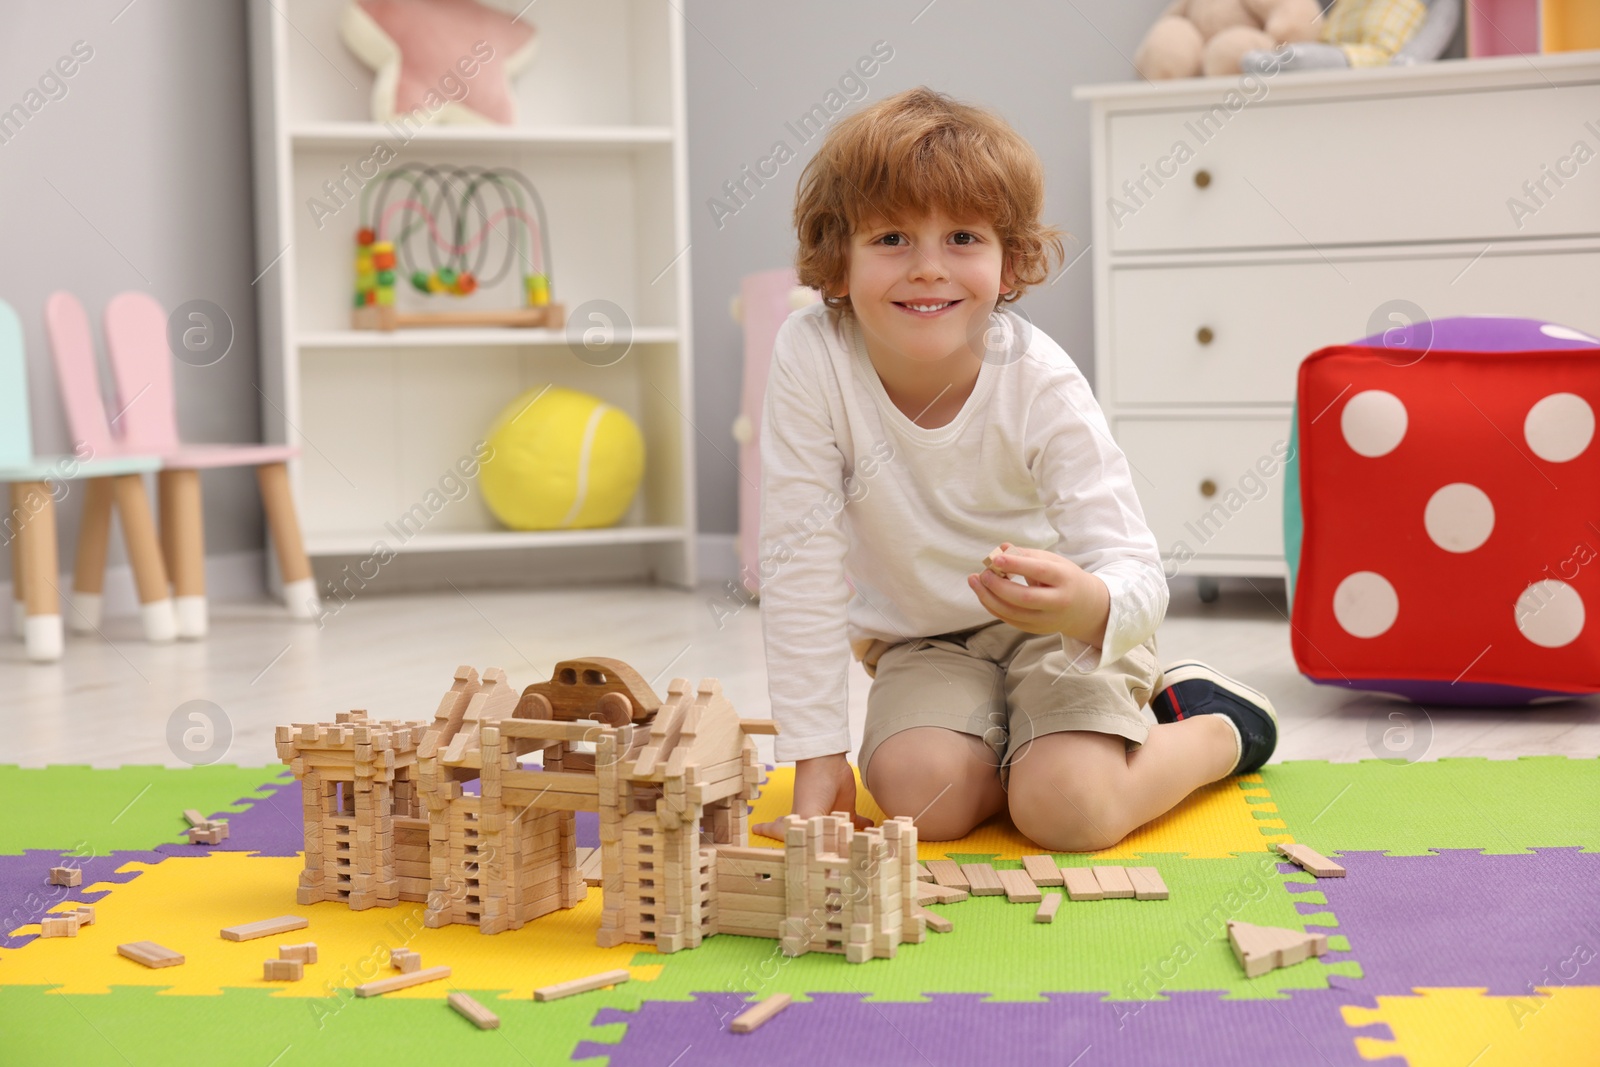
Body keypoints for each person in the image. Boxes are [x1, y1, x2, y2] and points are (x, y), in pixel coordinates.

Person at [751, 86, 1276, 852]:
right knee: (921, 801)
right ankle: (1025, 741)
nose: (928, 269)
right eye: (892, 237)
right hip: (923, 642)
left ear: (1009, 260)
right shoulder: (811, 354)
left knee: (1070, 809)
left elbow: (1133, 565)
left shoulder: (1036, 376)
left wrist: (1090, 607)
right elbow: (798, 563)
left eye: (962, 237)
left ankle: (1216, 721)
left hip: (1064, 632)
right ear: (837, 259)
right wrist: (818, 752)